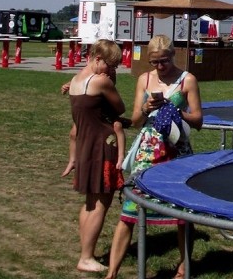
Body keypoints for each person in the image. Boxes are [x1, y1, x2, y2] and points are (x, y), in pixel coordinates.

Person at [105, 35, 203, 279]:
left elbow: (199, 120)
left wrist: (177, 112)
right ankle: (112, 272)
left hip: (177, 152)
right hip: (148, 152)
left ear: (173, 56)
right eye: (154, 62)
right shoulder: (144, 80)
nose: (159, 67)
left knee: (183, 214)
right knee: (129, 211)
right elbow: (136, 120)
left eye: (164, 62)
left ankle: (183, 268)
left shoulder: (187, 80)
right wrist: (146, 110)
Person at [66, 39, 125, 274]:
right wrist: (112, 80)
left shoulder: (75, 80)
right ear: (97, 59)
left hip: (85, 145)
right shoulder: (101, 81)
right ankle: (87, 257)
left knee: (90, 202)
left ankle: (86, 252)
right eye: (110, 65)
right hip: (103, 146)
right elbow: (119, 107)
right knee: (101, 202)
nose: (112, 71)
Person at [61, 66, 128, 178]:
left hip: (106, 110)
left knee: (117, 126)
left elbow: (111, 85)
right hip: (92, 113)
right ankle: (72, 160)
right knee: (73, 133)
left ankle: (121, 156)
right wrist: (67, 85)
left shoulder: (108, 72)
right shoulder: (90, 72)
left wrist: (106, 78)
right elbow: (80, 80)